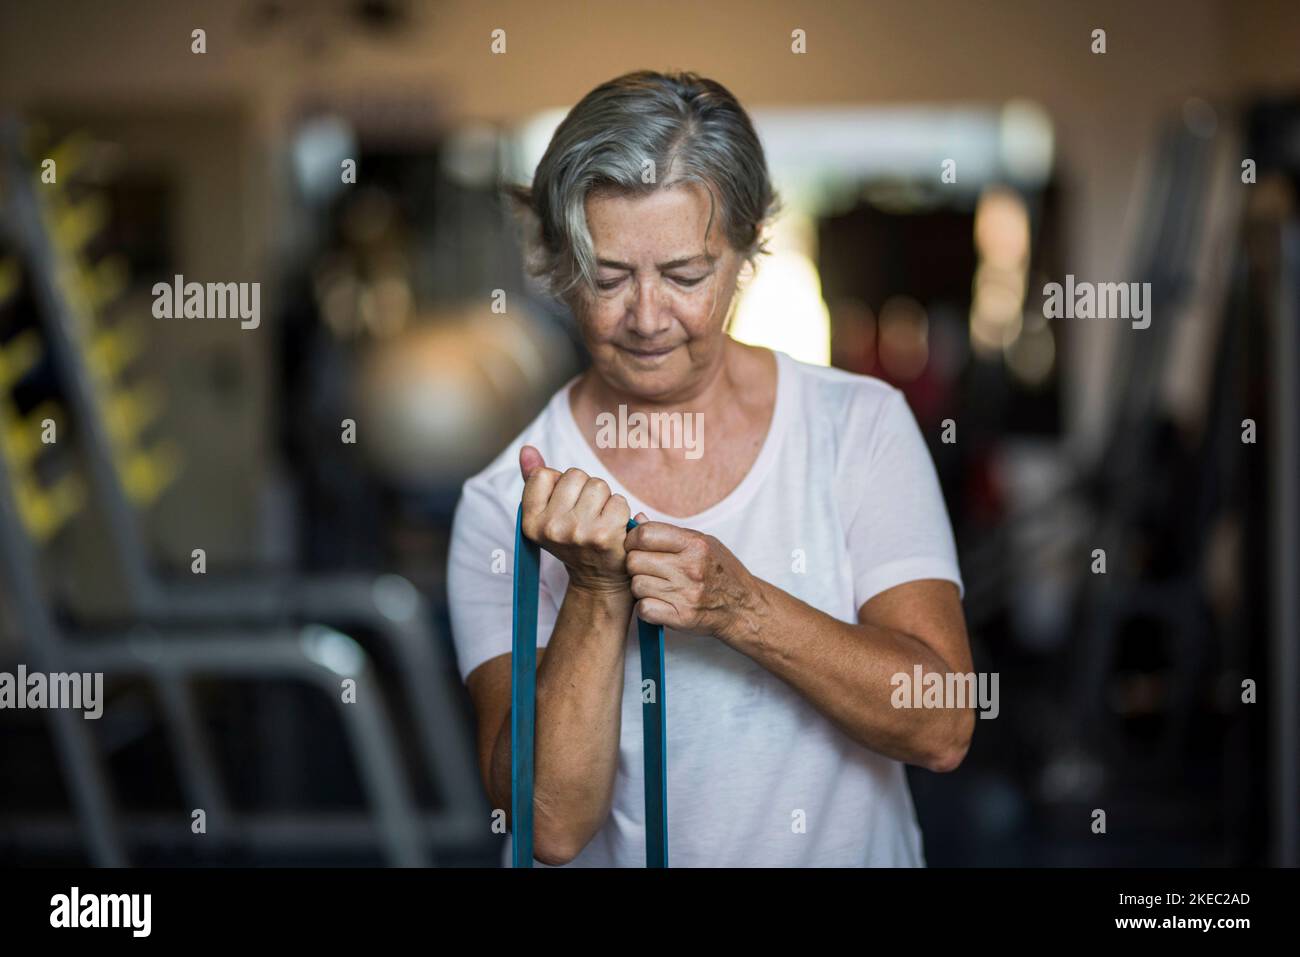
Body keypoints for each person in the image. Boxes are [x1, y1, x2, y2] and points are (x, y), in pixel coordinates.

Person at [447, 70, 972, 867]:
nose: (649, 317)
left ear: (745, 250)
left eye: (687, 275)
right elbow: (549, 827)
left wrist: (741, 608)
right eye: (610, 277)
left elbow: (942, 724)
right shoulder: (503, 505)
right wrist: (592, 592)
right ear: (558, 265)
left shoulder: (856, 428)